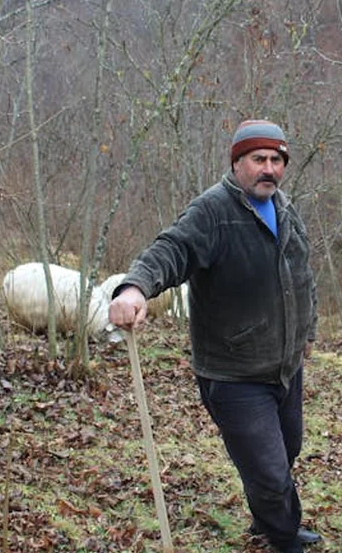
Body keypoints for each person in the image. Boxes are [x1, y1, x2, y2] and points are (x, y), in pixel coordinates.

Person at [108, 119, 320, 553]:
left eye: (277, 160)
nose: (269, 169)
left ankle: (269, 522)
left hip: (284, 367)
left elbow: (302, 276)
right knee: (271, 472)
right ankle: (284, 540)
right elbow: (172, 249)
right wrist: (134, 287)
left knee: (287, 451)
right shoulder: (213, 211)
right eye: (258, 159)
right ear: (237, 163)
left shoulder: (284, 207)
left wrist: (306, 332)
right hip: (234, 375)